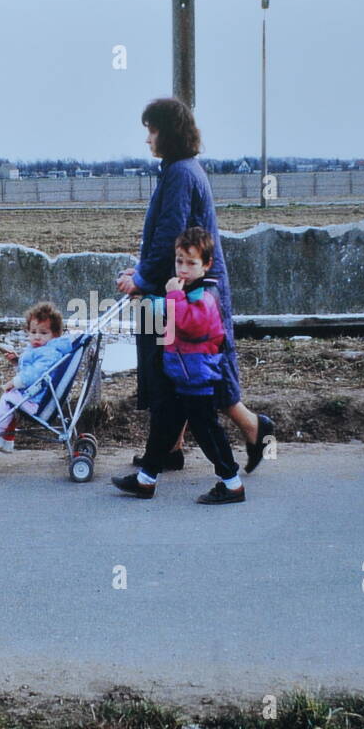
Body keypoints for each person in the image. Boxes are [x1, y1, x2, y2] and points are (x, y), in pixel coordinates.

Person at [115, 97, 276, 474]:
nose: (147, 139)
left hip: (190, 291)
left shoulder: (180, 174)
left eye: (151, 130)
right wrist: (141, 273)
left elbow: (170, 236)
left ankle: (254, 429)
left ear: (167, 133)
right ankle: (171, 447)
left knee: (196, 368)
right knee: (179, 366)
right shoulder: (182, 170)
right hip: (188, 285)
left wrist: (140, 279)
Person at [113, 228, 244, 504]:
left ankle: (232, 483)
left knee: (208, 432)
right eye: (179, 261)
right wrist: (150, 301)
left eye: (191, 263)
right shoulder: (189, 290)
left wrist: (170, 297)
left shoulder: (206, 293)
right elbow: (172, 311)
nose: (183, 269)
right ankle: (146, 480)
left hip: (197, 379)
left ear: (206, 264)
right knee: (163, 427)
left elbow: (190, 323)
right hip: (180, 375)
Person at [0, 302, 74, 453]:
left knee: (8, 398)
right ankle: (6, 440)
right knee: (11, 403)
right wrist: (17, 362)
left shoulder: (49, 353)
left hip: (35, 401)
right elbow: (33, 371)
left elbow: (34, 374)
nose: (37, 336)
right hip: (34, 395)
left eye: (43, 333)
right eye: (33, 332)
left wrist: (14, 382)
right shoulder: (44, 350)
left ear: (55, 335)